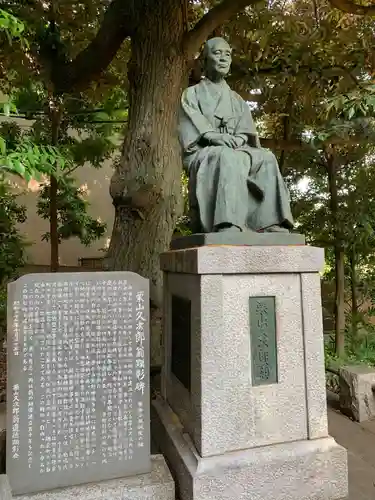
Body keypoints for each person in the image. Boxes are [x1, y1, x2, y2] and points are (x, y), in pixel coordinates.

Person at [178, 37, 294, 233]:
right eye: (217, 53)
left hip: (236, 148)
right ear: (205, 61)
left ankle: (268, 222)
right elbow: (190, 128)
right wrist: (214, 136)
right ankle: (227, 222)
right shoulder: (191, 94)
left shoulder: (236, 99)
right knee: (225, 156)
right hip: (204, 153)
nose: (223, 58)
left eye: (228, 54)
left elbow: (245, 131)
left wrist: (239, 139)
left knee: (266, 158)